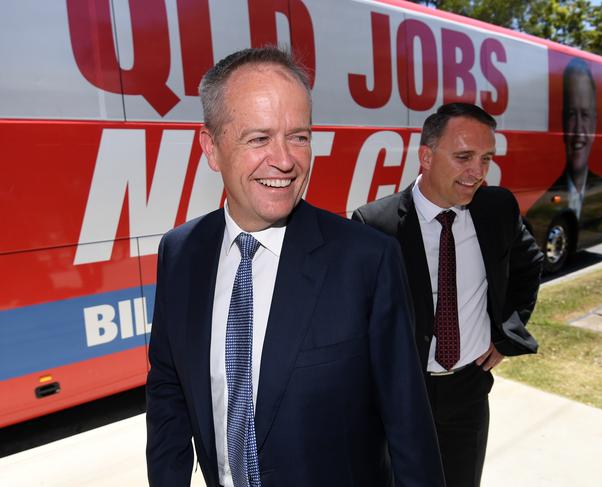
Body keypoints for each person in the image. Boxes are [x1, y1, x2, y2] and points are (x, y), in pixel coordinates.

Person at [145, 47, 444, 487]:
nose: (285, 160)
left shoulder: (367, 260)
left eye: (299, 136)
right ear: (210, 147)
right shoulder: (180, 253)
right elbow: (168, 387)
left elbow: (409, 425)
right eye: (259, 138)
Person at [353, 103, 543, 487]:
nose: (477, 172)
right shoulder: (375, 224)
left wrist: (506, 334)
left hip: (467, 392)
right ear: (426, 156)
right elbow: (358, 319)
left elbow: (528, 266)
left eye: (485, 158)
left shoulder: (497, 208)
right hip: (401, 397)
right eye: (463, 157)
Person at [526, 58, 602, 269]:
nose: (579, 131)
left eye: (586, 115)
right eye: (572, 115)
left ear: (596, 122)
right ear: (562, 120)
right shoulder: (538, 209)